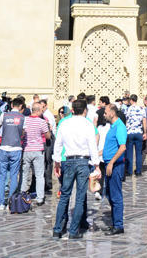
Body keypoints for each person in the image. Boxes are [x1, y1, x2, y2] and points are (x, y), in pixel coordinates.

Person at [52, 98, 99, 240]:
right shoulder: (88, 124)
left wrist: (57, 162)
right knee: (79, 197)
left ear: (72, 109)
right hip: (83, 162)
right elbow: (92, 146)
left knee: (64, 195)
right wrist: (96, 165)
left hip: (68, 161)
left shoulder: (64, 123)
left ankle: (57, 230)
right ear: (85, 110)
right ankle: (73, 231)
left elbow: (58, 144)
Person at [0, 97, 25, 210]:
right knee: (14, 176)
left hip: (4, 147)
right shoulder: (23, 118)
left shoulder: (4, 115)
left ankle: (1, 203)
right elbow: (23, 132)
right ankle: (11, 203)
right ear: (21, 106)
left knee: (2, 176)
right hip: (16, 148)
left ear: (12, 104)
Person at [103, 104, 127, 236]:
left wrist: (111, 162)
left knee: (116, 196)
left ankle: (118, 225)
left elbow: (122, 147)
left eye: (106, 112)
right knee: (109, 194)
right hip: (109, 164)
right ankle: (114, 222)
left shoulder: (120, 127)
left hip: (116, 166)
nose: (104, 114)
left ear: (112, 113)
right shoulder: (112, 127)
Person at [21, 100, 50, 205]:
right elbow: (47, 136)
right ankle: (40, 197)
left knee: (25, 174)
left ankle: (22, 194)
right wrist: (48, 129)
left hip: (26, 150)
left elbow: (22, 134)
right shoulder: (42, 122)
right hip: (38, 150)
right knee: (39, 175)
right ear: (38, 111)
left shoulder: (24, 120)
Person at [124, 95, 147, 177]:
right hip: (138, 132)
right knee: (138, 153)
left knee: (129, 153)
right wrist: (145, 132)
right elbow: (144, 121)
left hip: (129, 133)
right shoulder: (141, 109)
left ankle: (129, 171)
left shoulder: (127, 109)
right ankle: (138, 171)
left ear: (131, 100)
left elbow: (126, 121)